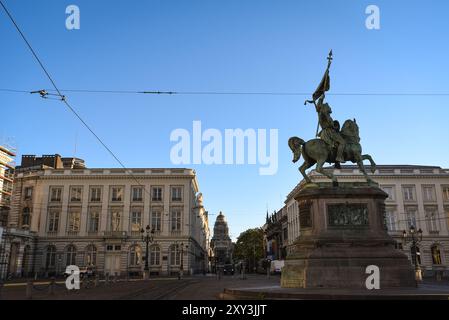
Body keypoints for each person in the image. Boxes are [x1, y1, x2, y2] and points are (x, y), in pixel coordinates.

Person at [315, 96, 346, 162]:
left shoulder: (328, 116)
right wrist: (321, 98)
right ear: (326, 108)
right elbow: (319, 108)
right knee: (343, 142)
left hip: (329, 131)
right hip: (329, 132)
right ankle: (339, 157)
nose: (330, 108)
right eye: (329, 107)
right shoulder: (323, 114)